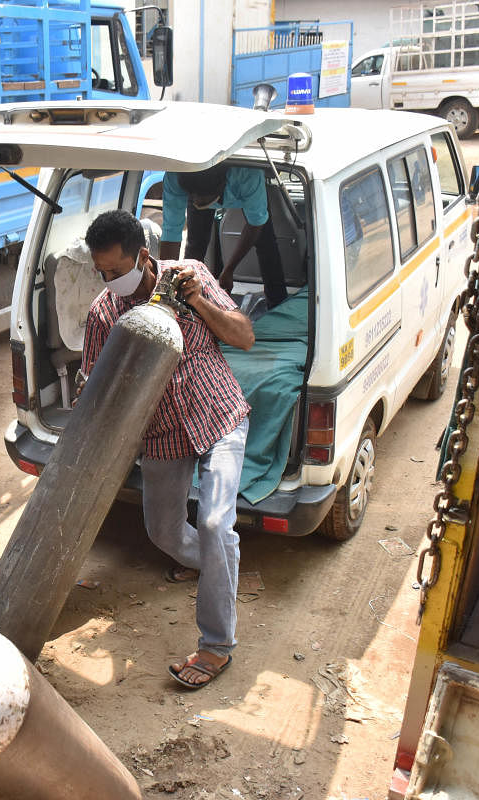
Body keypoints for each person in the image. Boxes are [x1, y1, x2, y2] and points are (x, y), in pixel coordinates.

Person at [81, 209, 254, 689]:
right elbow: (96, 384)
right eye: (102, 272)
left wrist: (202, 304)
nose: (110, 281)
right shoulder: (103, 313)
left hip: (218, 415)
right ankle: (224, 567)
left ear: (143, 255)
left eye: (117, 270)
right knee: (164, 535)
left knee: (216, 522)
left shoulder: (189, 276)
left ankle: (216, 646)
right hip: (161, 435)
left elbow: (244, 336)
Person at [158, 164, 287, 305]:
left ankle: (278, 303)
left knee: (267, 245)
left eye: (202, 200)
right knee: (196, 246)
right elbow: (171, 232)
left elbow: (256, 224)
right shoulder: (176, 176)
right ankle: (188, 301)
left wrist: (229, 269)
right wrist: (165, 288)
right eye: (194, 198)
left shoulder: (248, 175)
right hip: (197, 184)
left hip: (238, 187)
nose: (196, 202)